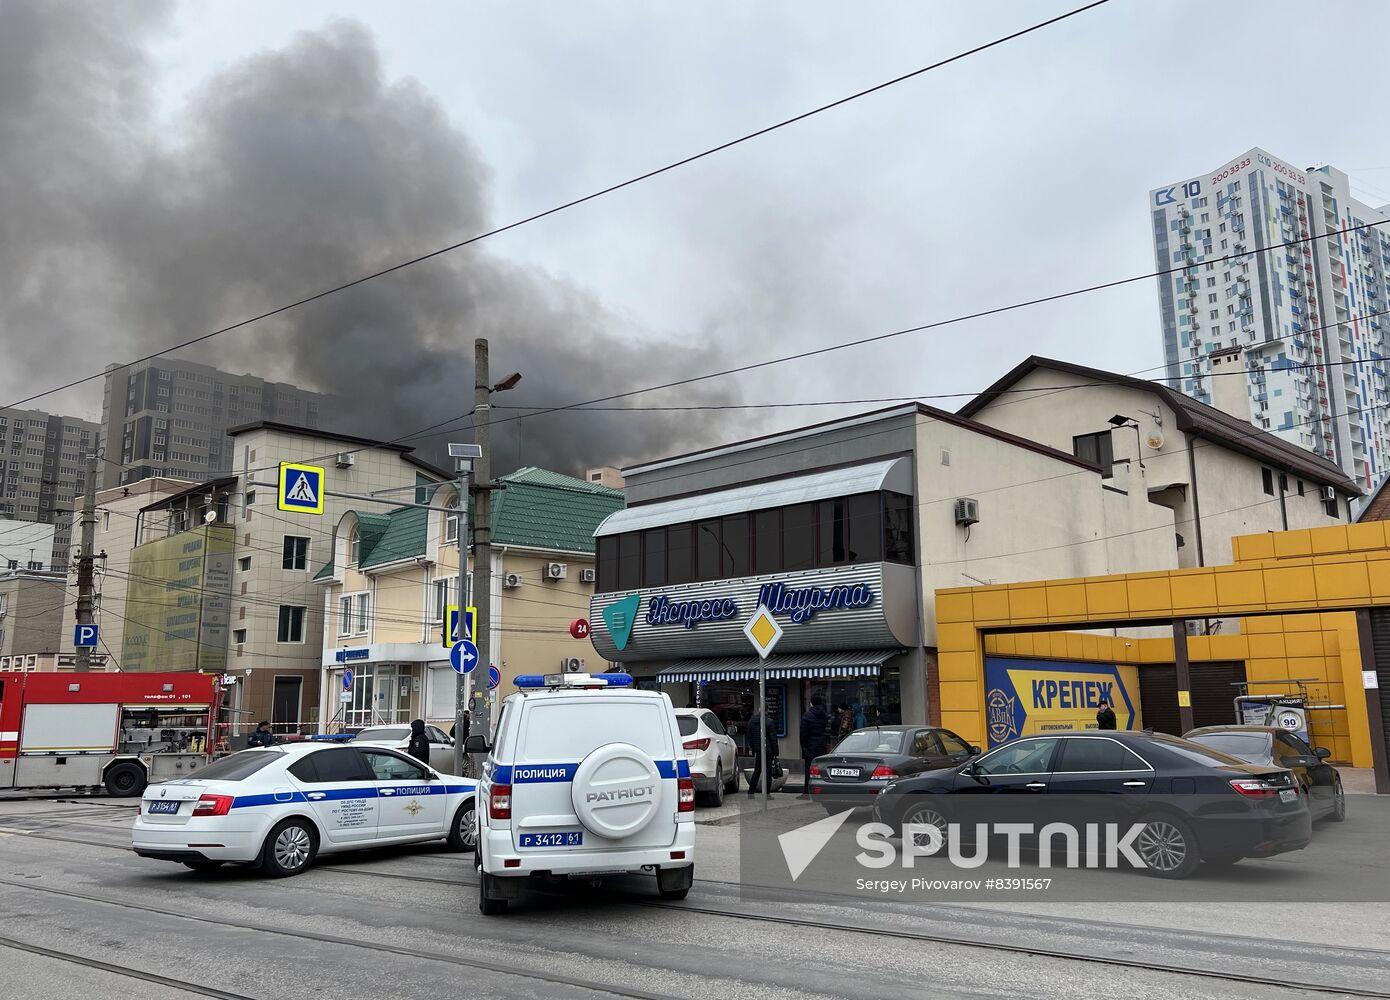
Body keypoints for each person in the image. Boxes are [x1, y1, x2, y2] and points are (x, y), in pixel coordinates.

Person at [799, 696, 830, 798]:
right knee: (821, 768)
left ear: (811, 703)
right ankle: (822, 791)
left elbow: (803, 733)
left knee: (809, 768)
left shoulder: (807, 715)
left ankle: (807, 792)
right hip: (821, 743)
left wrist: (803, 746)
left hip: (811, 744)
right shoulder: (824, 714)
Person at [746, 710, 780, 797]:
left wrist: (753, 748)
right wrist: (775, 751)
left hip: (758, 750)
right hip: (768, 750)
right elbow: (773, 738)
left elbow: (749, 736)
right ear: (767, 710)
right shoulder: (769, 722)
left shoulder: (752, 721)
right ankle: (767, 793)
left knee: (757, 770)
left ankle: (751, 792)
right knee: (768, 771)